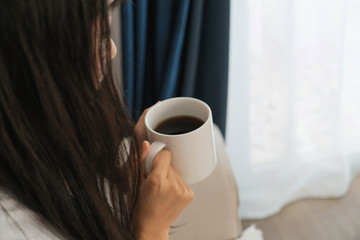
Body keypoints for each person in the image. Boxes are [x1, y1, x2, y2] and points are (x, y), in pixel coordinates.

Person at [0, 0, 194, 239]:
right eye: (100, 31)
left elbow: (73, 198)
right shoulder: (13, 225)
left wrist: (127, 162)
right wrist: (151, 231)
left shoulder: (38, 136)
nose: (112, 50)